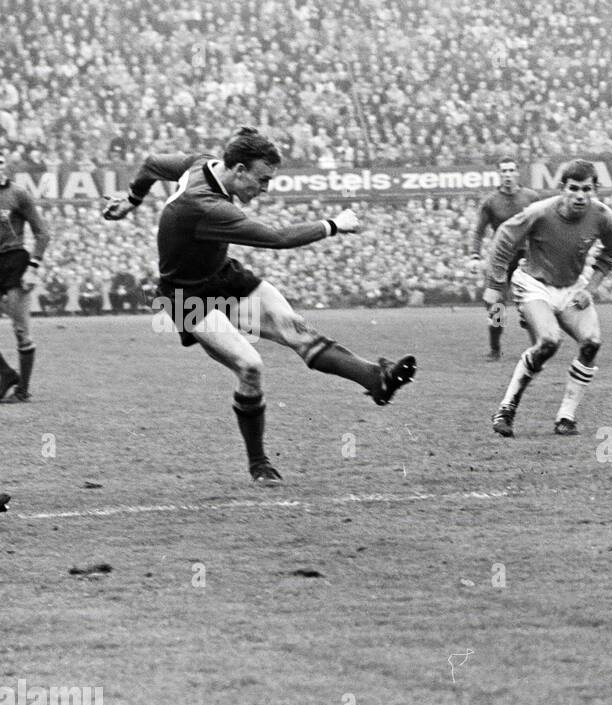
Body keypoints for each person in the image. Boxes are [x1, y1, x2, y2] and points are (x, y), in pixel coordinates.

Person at [102, 127, 417, 485]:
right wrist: (333, 225)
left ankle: (377, 378)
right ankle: (259, 465)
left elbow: (151, 164)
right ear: (237, 170)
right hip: (183, 297)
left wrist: (132, 199)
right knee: (250, 366)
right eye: (262, 180)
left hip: (223, 276)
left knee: (296, 330)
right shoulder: (205, 206)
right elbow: (276, 238)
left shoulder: (201, 164)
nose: (264, 189)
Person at [486, 159, 612, 438]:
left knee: (592, 342)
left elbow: (611, 253)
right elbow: (503, 237)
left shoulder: (602, 216)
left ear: (595, 189)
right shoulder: (536, 211)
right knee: (547, 341)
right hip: (533, 284)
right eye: (574, 188)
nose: (580, 196)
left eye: (587, 189)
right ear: (562, 188)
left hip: (572, 287)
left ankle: (566, 417)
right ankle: (506, 406)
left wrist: (590, 288)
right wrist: (494, 283)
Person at [471, 158, 540, 360]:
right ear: (499, 174)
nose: (508, 174)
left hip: (524, 258)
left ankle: (538, 348)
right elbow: (478, 232)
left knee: (530, 305)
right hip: (500, 259)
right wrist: (475, 256)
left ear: (517, 173)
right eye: (504, 171)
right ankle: (495, 350)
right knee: (496, 306)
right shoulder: (491, 202)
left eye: (511, 170)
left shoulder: (531, 197)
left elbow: (542, 226)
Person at [0, 149, 51, 402]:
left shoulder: (18, 194)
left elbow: (42, 233)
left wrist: (33, 267)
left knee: (20, 330)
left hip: (14, 261)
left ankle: (22, 391)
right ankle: (7, 376)